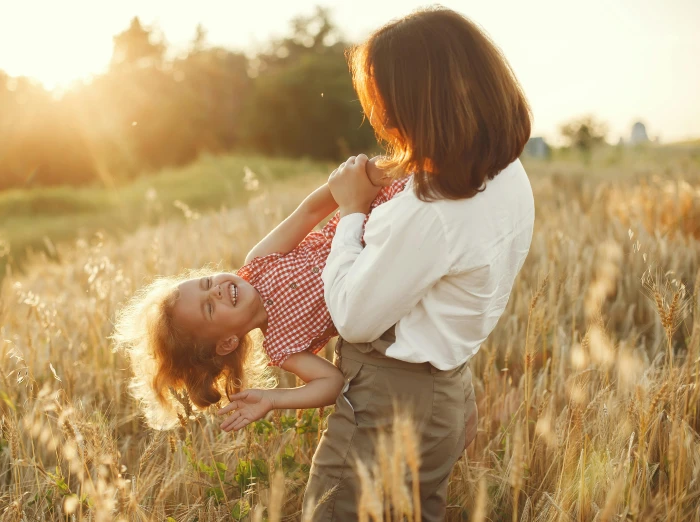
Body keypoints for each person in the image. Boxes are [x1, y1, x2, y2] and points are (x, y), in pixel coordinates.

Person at [302, 7, 535, 521]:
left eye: (383, 99)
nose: (382, 118)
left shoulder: (433, 210)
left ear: (413, 104)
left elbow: (353, 316)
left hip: (389, 394)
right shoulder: (506, 173)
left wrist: (352, 213)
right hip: (444, 387)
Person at [112, 161, 408, 429]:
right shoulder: (284, 345)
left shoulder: (259, 261)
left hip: (377, 209)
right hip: (397, 263)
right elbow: (331, 383)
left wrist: (363, 177)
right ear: (228, 342)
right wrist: (273, 398)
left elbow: (309, 211)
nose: (215, 291)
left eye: (206, 283)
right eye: (209, 309)